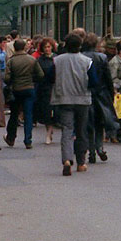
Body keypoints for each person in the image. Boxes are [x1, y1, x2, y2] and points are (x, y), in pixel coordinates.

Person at [50, 33, 93, 175]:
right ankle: (81, 162)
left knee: (67, 130)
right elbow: (94, 81)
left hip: (63, 99)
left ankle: (67, 159)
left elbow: (50, 78)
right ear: (80, 46)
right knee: (81, 131)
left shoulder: (57, 61)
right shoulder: (87, 61)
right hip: (82, 100)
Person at [3, 37, 43, 148]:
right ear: (25, 47)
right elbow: (40, 75)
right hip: (29, 88)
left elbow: (6, 78)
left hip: (16, 90)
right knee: (28, 114)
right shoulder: (31, 60)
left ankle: (11, 137)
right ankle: (28, 140)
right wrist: (31, 79)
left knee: (14, 114)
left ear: (15, 48)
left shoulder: (11, 61)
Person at [82, 34, 113, 162]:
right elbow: (108, 77)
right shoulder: (102, 57)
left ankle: (91, 152)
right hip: (101, 93)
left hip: (86, 93)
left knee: (89, 124)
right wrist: (111, 93)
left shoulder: (82, 57)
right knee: (100, 122)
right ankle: (99, 148)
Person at [34, 38, 56, 144]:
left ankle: (50, 131)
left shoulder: (56, 58)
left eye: (48, 47)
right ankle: (48, 131)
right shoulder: (39, 60)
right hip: (44, 88)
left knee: (54, 111)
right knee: (47, 111)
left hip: (55, 87)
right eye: (45, 47)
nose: (47, 49)